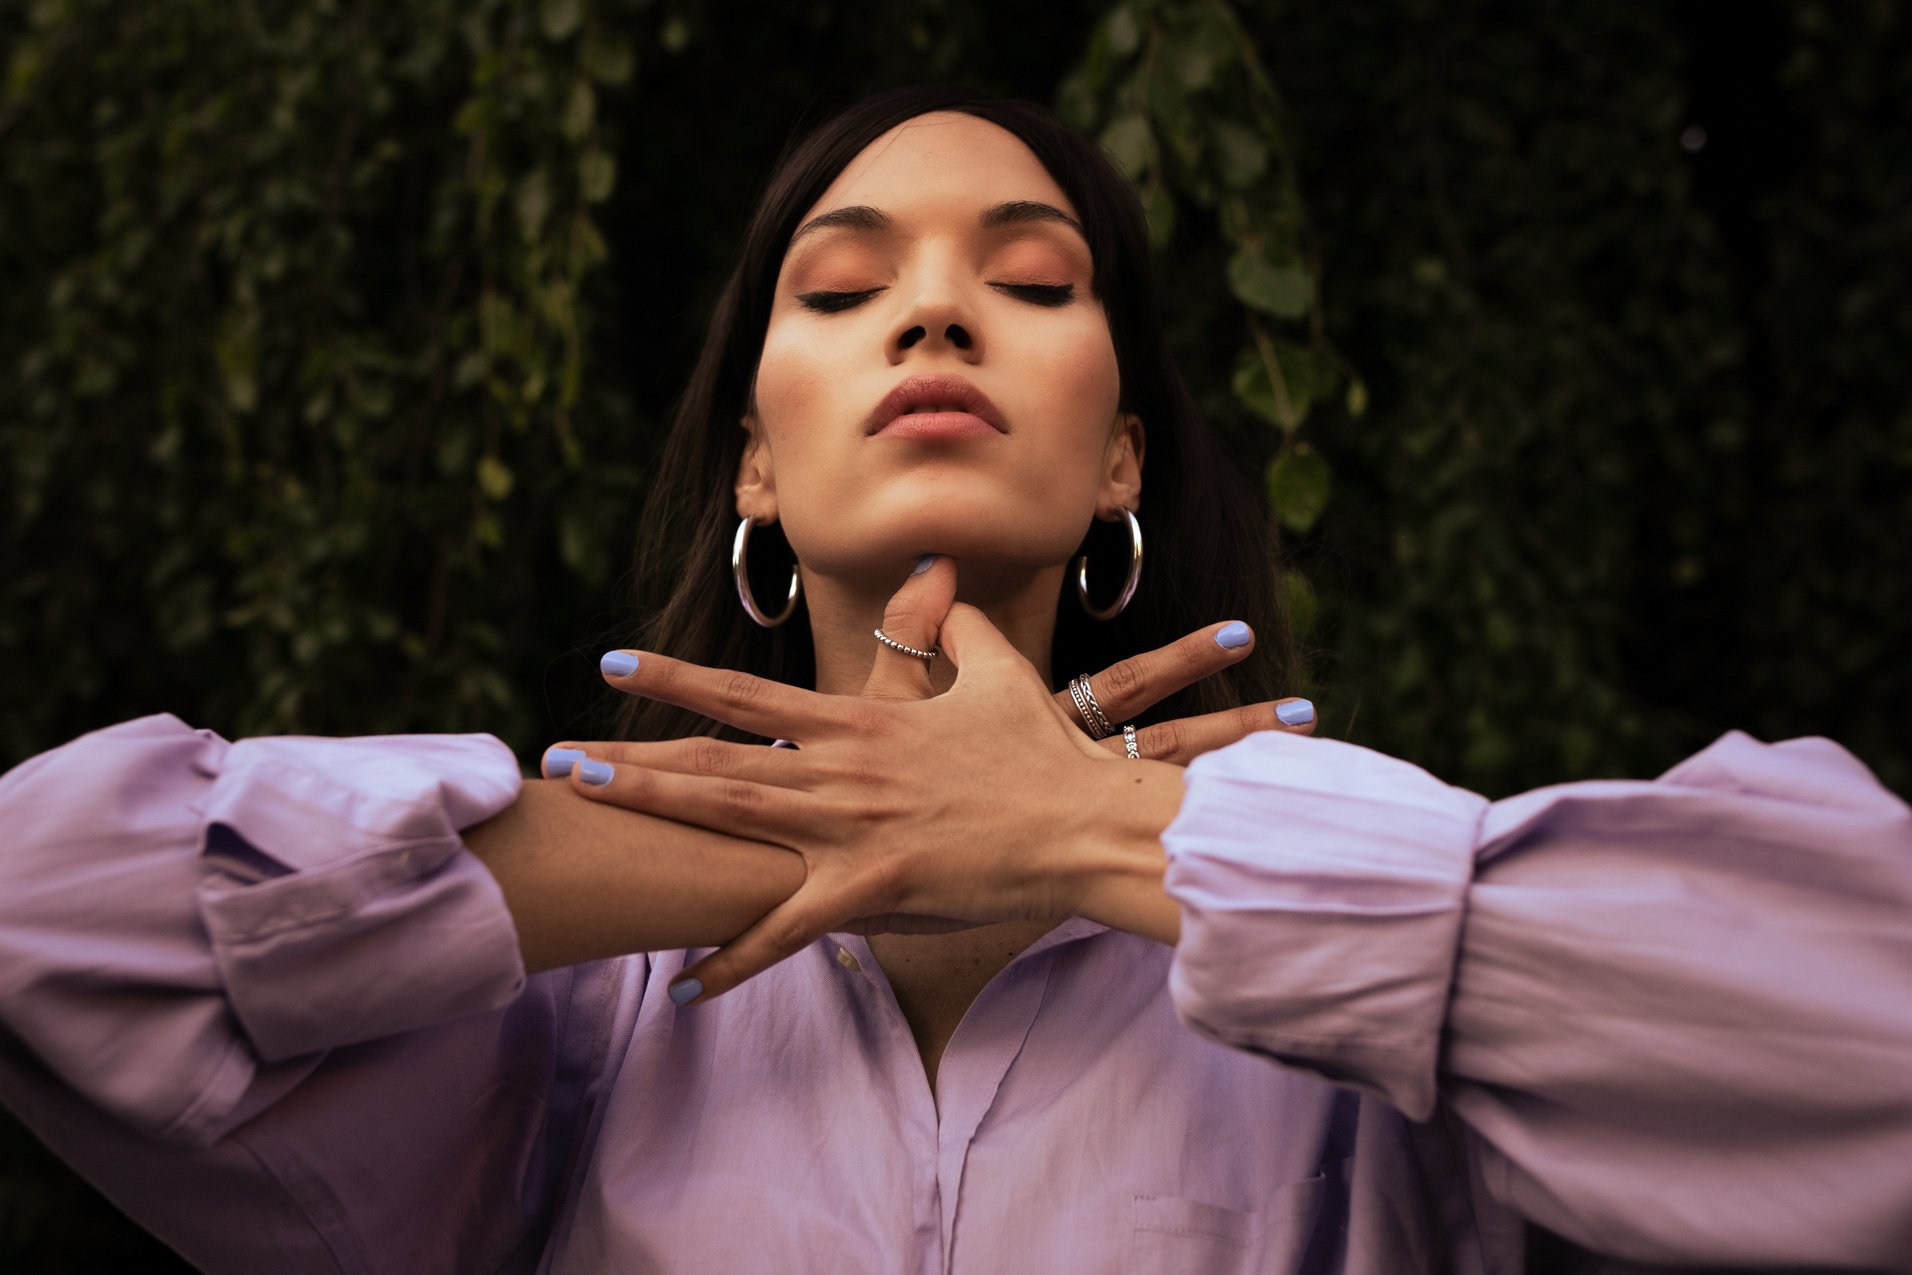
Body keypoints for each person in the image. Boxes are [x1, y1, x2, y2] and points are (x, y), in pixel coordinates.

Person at [0, 84, 1907, 1274]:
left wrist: (1102, 833)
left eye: (1034, 276)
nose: (931, 306)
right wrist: (866, 831)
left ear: (1125, 456)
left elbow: (1861, 1028)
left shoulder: (1371, 968)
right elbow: (45, 912)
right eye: (837, 289)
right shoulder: (570, 1045)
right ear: (756, 457)